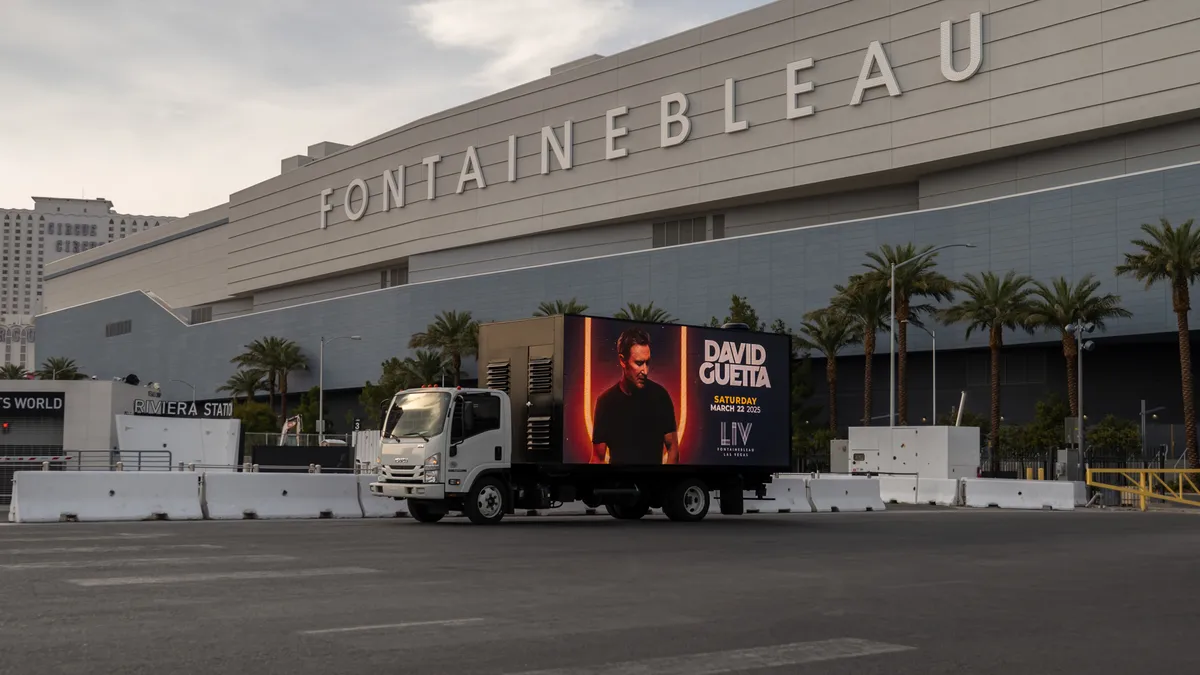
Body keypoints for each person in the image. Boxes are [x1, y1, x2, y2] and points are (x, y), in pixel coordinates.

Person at [590, 327, 678, 464]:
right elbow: (597, 457)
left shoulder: (660, 396)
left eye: (647, 363)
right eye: (639, 363)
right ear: (622, 360)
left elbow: (672, 448)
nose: (645, 370)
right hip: (619, 483)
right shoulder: (606, 402)